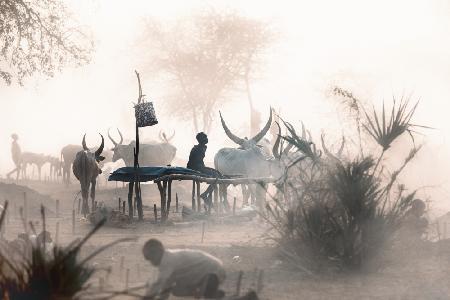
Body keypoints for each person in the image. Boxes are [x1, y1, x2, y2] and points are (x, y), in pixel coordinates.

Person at [143, 238, 226, 299]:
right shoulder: (167, 260)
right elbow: (166, 287)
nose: (150, 261)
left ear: (158, 251)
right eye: (147, 258)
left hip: (213, 270)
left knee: (178, 289)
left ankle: (209, 293)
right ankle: (210, 293)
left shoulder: (167, 260)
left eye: (149, 257)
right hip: (206, 270)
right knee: (176, 290)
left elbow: (159, 283)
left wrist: (147, 297)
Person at [187, 132, 221, 204]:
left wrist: (207, 169)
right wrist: (205, 170)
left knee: (217, 173)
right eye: (205, 138)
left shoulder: (202, 147)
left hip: (199, 166)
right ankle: (205, 194)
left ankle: (206, 194)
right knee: (216, 175)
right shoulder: (197, 149)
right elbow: (194, 162)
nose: (207, 139)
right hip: (194, 168)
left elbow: (200, 161)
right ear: (201, 140)